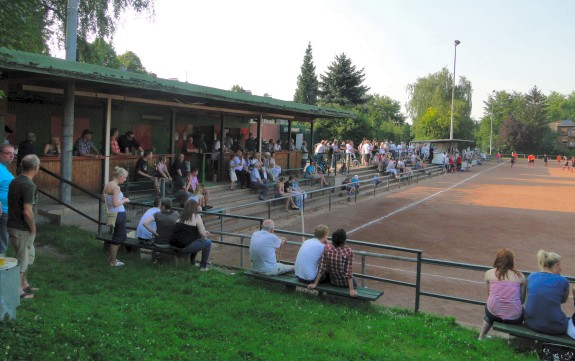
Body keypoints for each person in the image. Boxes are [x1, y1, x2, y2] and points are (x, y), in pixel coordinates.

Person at [8, 154, 41, 298]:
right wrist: (33, 229)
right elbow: (27, 212)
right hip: (21, 228)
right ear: (36, 168)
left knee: (26, 255)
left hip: (13, 224)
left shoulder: (15, 181)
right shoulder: (29, 185)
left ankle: (24, 284)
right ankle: (17, 291)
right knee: (22, 259)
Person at [478, 248, 526, 340]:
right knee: (519, 312)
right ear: (512, 261)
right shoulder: (521, 276)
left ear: (497, 259)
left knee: (491, 308)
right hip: (514, 316)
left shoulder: (489, 273)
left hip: (493, 313)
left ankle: (481, 336)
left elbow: (489, 295)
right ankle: (513, 341)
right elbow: (522, 300)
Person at [524, 250, 570, 335]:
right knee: (569, 321)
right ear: (555, 266)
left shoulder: (531, 276)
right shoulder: (563, 281)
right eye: (559, 265)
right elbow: (563, 301)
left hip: (530, 323)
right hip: (555, 328)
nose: (561, 269)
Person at [308, 228, 357, 297]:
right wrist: (351, 289)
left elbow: (321, 267)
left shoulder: (327, 248)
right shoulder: (348, 251)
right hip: (345, 283)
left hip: (333, 281)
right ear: (344, 240)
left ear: (333, 240)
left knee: (327, 272)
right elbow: (349, 272)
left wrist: (315, 284)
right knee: (355, 280)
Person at [170, 199, 212, 271]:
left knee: (195, 238)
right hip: (183, 248)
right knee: (207, 243)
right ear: (195, 207)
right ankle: (203, 266)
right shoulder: (197, 217)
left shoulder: (180, 215)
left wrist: (203, 232)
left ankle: (192, 262)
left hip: (173, 245)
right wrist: (205, 232)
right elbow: (202, 233)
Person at [102, 166, 130, 267]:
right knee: (118, 238)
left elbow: (103, 198)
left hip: (113, 214)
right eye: (125, 177)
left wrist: (119, 198)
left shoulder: (107, 185)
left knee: (121, 236)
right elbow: (115, 204)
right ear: (120, 176)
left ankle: (111, 257)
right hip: (119, 214)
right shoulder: (116, 187)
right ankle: (113, 262)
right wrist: (124, 200)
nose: (125, 179)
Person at [0, 144, 15, 256]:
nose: (12, 156)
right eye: (8, 153)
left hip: (7, 210)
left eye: (13, 154)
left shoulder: (3, 168)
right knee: (2, 241)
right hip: (2, 212)